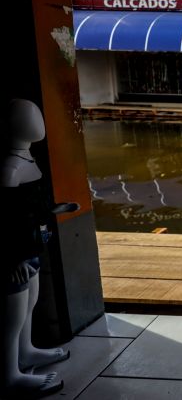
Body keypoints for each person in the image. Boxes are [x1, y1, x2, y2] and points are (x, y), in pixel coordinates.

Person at [2, 100, 77, 399]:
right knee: (11, 315)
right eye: (28, 116)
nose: (37, 121)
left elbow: (29, 207)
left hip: (32, 245)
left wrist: (54, 209)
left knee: (30, 302)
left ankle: (27, 351)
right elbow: (4, 218)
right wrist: (11, 257)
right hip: (15, 253)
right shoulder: (9, 168)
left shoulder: (28, 160)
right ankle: (9, 375)